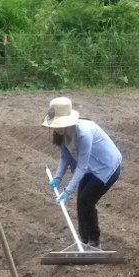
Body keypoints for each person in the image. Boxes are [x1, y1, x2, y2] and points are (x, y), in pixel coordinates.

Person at [42, 96, 122, 249]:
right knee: (81, 202)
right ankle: (84, 242)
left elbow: (81, 167)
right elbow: (64, 156)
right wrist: (58, 177)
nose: (56, 129)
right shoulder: (62, 135)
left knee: (86, 201)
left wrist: (67, 190)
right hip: (91, 167)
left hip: (107, 167)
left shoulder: (84, 133)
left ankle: (94, 241)